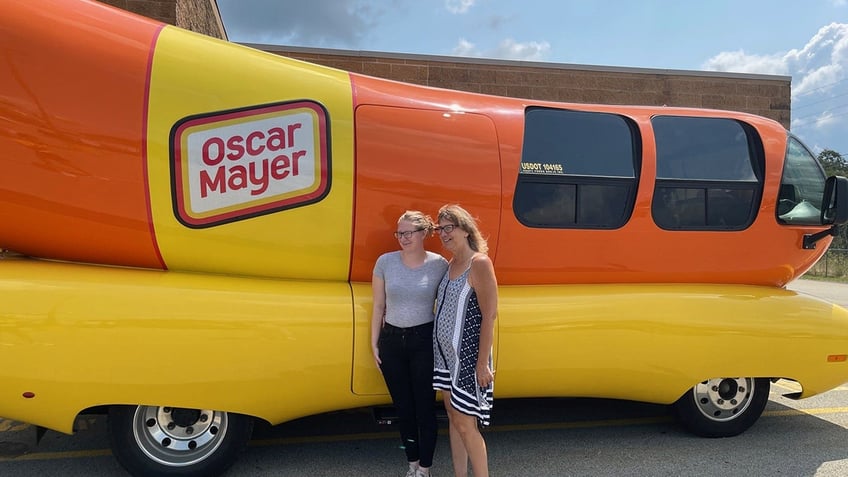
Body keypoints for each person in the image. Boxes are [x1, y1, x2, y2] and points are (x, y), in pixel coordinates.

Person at [372, 210, 449, 477]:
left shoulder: (439, 264)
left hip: (423, 341)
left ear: (424, 233)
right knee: (403, 408)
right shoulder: (385, 262)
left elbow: (448, 303)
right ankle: (412, 463)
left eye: (408, 233)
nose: (402, 238)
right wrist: (374, 343)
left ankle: (425, 468)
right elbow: (379, 306)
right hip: (392, 341)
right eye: (399, 233)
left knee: (424, 408)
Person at [432, 204, 498, 477]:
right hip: (446, 358)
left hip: (468, 358)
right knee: (453, 419)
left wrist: (482, 364)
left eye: (449, 228)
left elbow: (490, 315)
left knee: (467, 425)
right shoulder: (450, 264)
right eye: (440, 229)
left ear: (465, 229)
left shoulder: (479, 263)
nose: (444, 234)